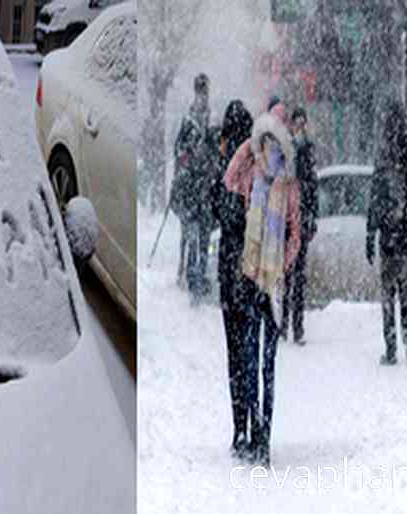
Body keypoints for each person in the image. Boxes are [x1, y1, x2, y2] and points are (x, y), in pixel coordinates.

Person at [234, 102, 301, 465]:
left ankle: (265, 439)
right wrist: (248, 144)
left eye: (275, 144)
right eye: (265, 142)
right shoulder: (252, 177)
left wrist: (279, 269)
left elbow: (296, 236)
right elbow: (229, 178)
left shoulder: (289, 185)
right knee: (250, 360)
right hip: (250, 279)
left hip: (271, 287)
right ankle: (255, 431)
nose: (268, 150)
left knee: (267, 365)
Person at [210, 100, 257, 459]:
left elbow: (222, 215)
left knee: (236, 354)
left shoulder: (231, 172)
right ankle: (254, 424)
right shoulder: (261, 167)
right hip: (255, 271)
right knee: (250, 351)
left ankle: (240, 425)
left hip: (233, 271)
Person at [366, 101, 407, 365]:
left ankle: (391, 347)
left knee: (388, 294)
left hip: (388, 235)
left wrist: (370, 232)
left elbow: (375, 198)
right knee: (406, 289)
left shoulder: (384, 156)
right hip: (406, 233)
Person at [278, 107, 317, 345]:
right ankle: (283, 323)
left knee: (298, 277)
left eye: (303, 123)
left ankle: (297, 326)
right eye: (297, 123)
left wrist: (312, 217)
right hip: (287, 221)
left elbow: (313, 188)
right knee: (286, 276)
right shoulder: (286, 151)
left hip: (300, 222)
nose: (300, 128)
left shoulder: (307, 152)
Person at [172, 73, 212, 301]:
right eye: (201, 89)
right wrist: (188, 155)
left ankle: (196, 276)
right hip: (192, 187)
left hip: (203, 186)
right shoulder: (189, 119)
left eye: (205, 90)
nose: (203, 94)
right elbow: (178, 149)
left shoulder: (208, 116)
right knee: (191, 234)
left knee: (201, 235)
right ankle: (190, 276)